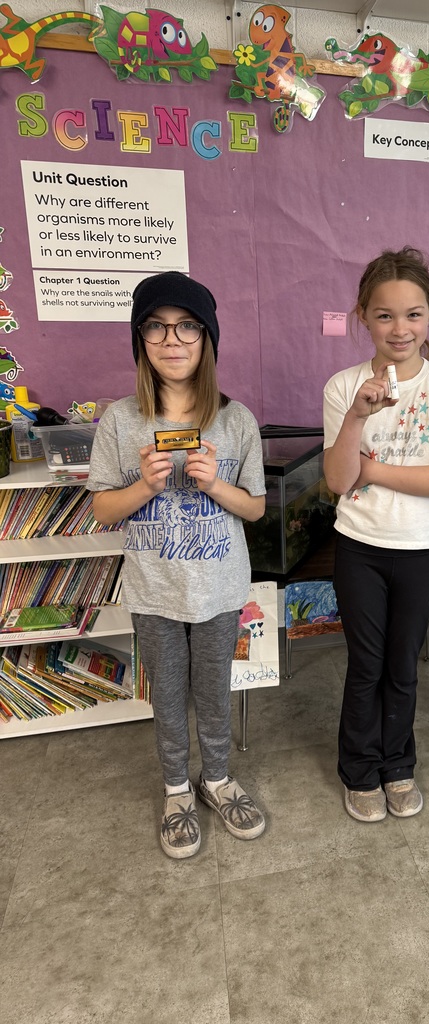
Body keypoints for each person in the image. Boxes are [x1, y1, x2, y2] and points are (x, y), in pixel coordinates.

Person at [88, 271, 267, 859]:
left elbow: (257, 508)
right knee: (167, 694)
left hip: (218, 588)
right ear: (141, 339)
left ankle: (216, 779)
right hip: (154, 590)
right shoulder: (120, 420)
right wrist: (144, 483)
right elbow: (102, 511)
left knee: (214, 691)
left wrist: (215, 484)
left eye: (187, 326)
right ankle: (175, 789)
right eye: (157, 327)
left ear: (207, 337)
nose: (173, 339)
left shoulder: (236, 419)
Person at [323, 247, 429, 822]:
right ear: (363, 317)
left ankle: (398, 764)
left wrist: (374, 468)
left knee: (402, 665)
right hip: (358, 547)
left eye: (412, 314)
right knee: (366, 664)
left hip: (419, 550)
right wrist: (357, 418)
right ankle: (359, 770)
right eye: (384, 315)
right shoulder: (343, 387)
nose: (399, 328)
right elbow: (339, 482)